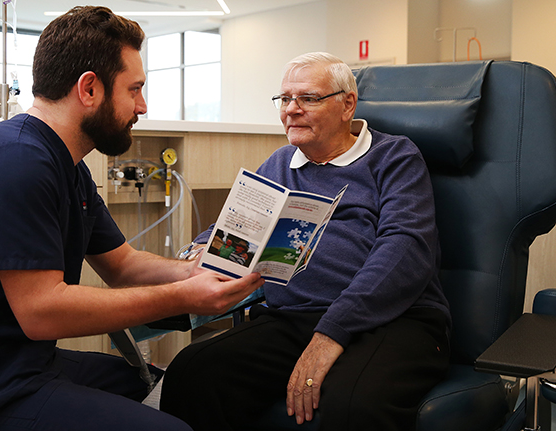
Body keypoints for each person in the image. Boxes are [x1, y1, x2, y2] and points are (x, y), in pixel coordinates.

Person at [0, 6, 263, 431]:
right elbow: (42, 311)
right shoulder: (14, 161)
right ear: (89, 89)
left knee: (175, 389)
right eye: (134, 89)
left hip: (17, 361)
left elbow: (123, 265)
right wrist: (186, 296)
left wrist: (194, 269)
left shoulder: (68, 166)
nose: (143, 105)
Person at [159, 52, 452, 431]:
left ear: (347, 104)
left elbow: (406, 249)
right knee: (192, 372)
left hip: (393, 319)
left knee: (351, 405)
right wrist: (200, 251)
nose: (291, 110)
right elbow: (233, 226)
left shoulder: (394, 157)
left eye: (308, 98)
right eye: (284, 99)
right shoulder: (281, 163)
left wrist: (332, 331)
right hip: (292, 317)